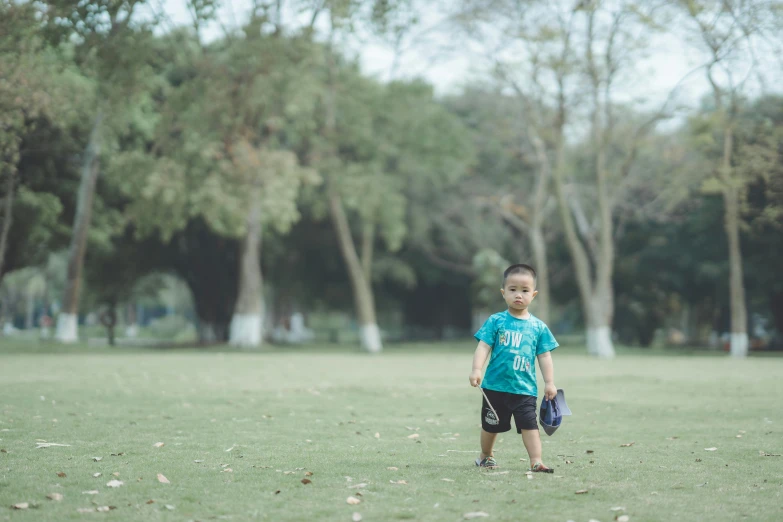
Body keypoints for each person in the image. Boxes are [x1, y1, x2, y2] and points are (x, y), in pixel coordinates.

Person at [468, 263, 559, 472]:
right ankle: (486, 455)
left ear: (533, 294)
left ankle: (536, 461)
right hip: (494, 387)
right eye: (513, 290)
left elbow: (545, 355)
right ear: (503, 293)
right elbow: (483, 346)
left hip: (524, 388)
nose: (519, 295)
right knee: (491, 425)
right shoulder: (496, 321)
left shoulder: (538, 327)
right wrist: (476, 369)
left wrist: (549, 382)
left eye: (525, 290)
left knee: (530, 425)